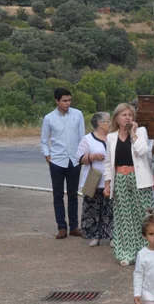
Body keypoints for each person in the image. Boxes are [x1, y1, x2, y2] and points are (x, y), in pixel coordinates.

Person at [104, 103, 154, 266]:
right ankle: (125, 252)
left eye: (130, 115)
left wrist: (133, 134)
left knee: (142, 215)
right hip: (120, 178)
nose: (127, 117)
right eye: (124, 115)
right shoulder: (111, 136)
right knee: (124, 216)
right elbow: (108, 162)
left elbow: (142, 151)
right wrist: (107, 184)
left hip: (139, 178)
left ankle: (146, 252)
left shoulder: (140, 132)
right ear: (117, 119)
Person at [40, 87, 85, 239]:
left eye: (69, 100)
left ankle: (74, 226)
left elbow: (82, 137)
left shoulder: (78, 115)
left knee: (73, 195)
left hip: (74, 161)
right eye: (64, 101)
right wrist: (47, 156)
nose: (67, 103)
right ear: (57, 101)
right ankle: (61, 227)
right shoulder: (49, 118)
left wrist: (82, 156)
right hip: (57, 161)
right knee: (58, 195)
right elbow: (44, 140)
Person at [75, 112, 113, 247]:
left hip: (111, 180)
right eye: (107, 121)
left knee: (111, 209)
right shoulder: (87, 139)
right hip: (94, 180)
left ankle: (112, 236)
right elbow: (79, 158)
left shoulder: (113, 137)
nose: (109, 123)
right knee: (93, 209)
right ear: (99, 123)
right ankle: (95, 236)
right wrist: (92, 157)